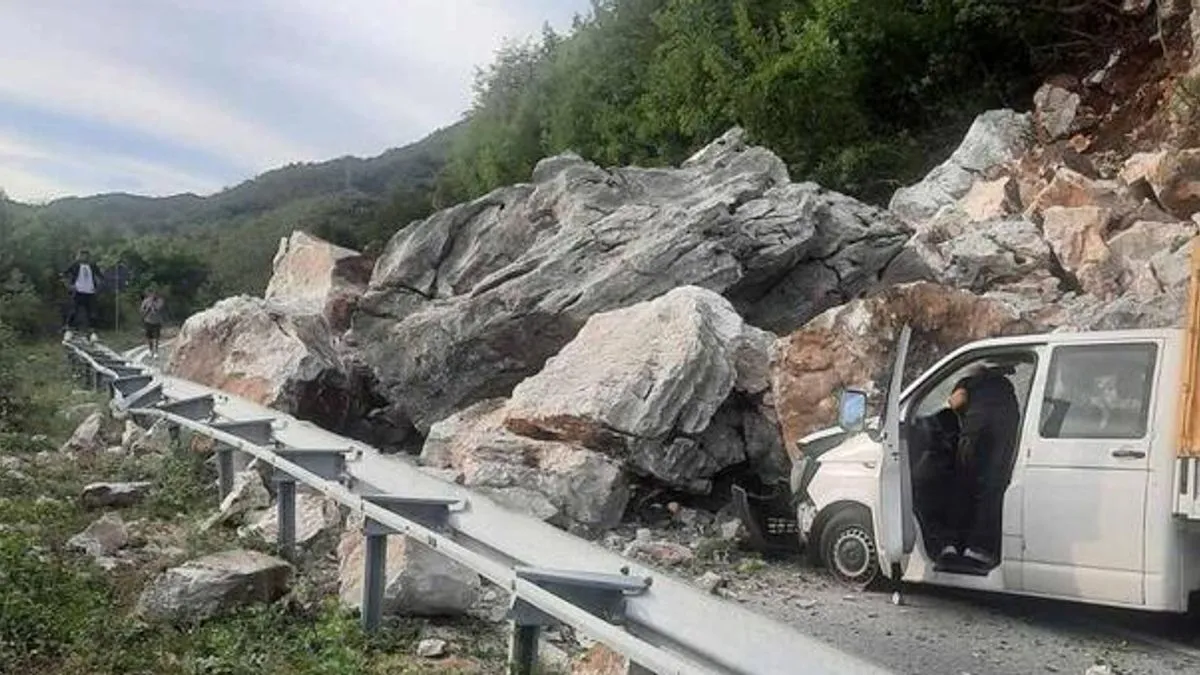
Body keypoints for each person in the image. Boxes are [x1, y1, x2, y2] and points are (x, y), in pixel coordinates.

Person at [952, 362, 1021, 567]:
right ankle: (981, 548)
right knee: (993, 488)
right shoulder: (1005, 387)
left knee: (964, 486)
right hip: (1003, 439)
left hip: (975, 437)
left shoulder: (968, 382)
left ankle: (957, 545)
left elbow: (956, 403)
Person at [63, 248, 103, 341]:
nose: (84, 257)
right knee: (73, 311)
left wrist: (98, 287)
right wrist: (69, 286)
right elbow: (64, 275)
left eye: (86, 255)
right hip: (78, 291)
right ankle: (69, 330)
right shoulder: (75, 265)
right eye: (82, 255)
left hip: (90, 291)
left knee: (92, 313)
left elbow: (101, 276)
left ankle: (92, 332)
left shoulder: (92, 266)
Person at [139, 288, 166, 356]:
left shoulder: (160, 301)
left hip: (157, 321)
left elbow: (158, 309)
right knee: (149, 337)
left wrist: (153, 305)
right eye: (152, 293)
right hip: (148, 321)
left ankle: (156, 351)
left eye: (155, 294)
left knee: (156, 338)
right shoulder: (146, 301)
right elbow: (142, 310)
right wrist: (147, 309)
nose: (153, 295)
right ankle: (150, 350)